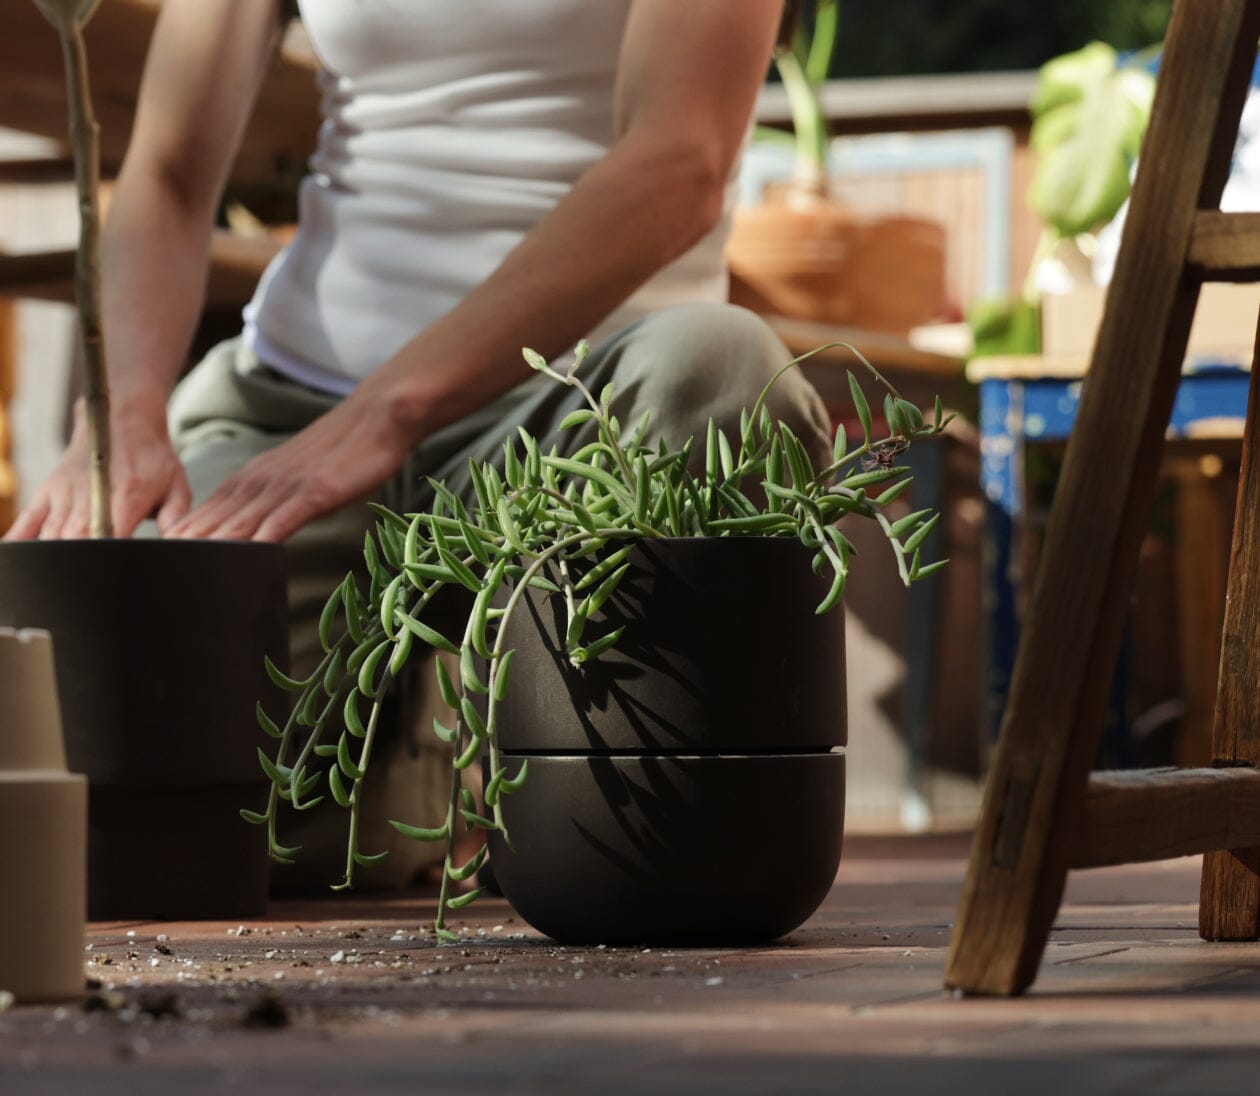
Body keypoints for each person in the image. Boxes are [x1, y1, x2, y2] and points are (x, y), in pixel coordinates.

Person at [8, 0, 831, 888]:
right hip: (295, 414)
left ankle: (515, 741)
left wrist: (385, 413)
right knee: (135, 801)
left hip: (590, 412)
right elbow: (168, 172)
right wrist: (124, 407)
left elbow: (680, 161)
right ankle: (429, 766)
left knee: (722, 368)